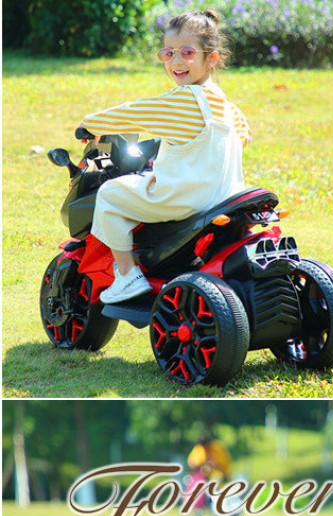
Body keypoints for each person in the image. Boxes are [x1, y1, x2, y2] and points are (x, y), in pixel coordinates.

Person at [79, 9, 252, 304]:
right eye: (168, 53)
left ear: (211, 58)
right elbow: (244, 138)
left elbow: (136, 112)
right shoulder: (228, 106)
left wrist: (91, 124)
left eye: (187, 52)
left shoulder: (184, 99)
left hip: (185, 198)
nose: (175, 61)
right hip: (225, 197)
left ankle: (127, 275)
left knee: (109, 194)